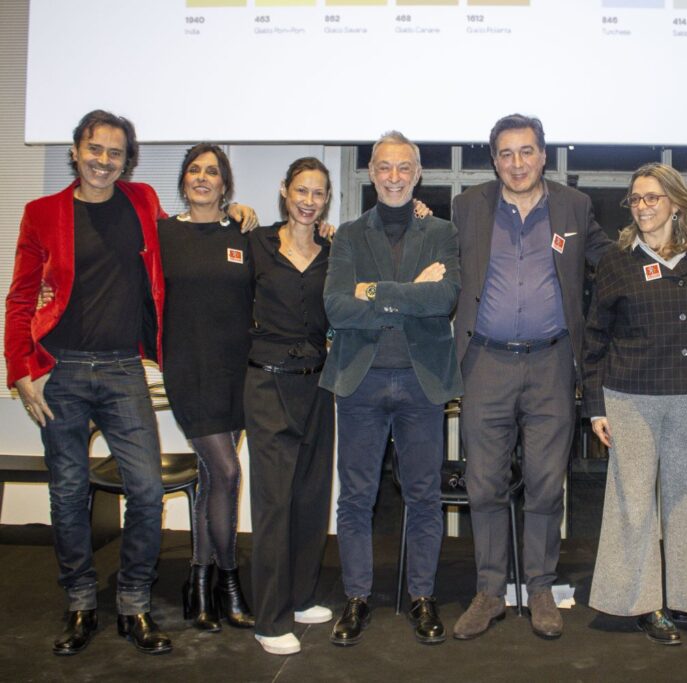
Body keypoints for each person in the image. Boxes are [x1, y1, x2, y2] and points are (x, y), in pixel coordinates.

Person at [4, 109, 175, 656]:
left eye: (116, 153)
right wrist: (21, 371)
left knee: (147, 490)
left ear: (128, 161)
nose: (104, 161)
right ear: (76, 151)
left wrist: (233, 214)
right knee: (69, 494)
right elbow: (21, 298)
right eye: (95, 149)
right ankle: (80, 603)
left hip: (126, 369)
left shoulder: (143, 202)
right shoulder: (42, 213)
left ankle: (133, 604)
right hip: (62, 371)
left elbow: (182, 241)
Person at [450, 114, 612, 641]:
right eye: (505, 154)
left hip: (551, 364)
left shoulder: (573, 206)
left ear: (543, 155)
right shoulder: (468, 206)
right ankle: (490, 592)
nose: (516, 163)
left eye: (526, 152)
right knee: (485, 484)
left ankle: (540, 588)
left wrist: (674, 239)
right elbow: (434, 250)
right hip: (486, 364)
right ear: (493, 159)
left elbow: (609, 260)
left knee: (545, 483)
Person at [583, 162, 687, 645]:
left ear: (676, 203)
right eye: (636, 199)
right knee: (633, 504)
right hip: (630, 395)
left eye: (653, 197)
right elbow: (594, 337)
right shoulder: (617, 258)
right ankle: (641, 604)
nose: (644, 207)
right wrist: (595, 405)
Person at [321, 131, 461, 647]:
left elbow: (443, 297)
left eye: (404, 167)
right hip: (359, 382)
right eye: (385, 167)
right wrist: (409, 292)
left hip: (422, 383)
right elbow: (336, 306)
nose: (395, 177)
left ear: (418, 173)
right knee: (357, 497)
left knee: (424, 497)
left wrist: (373, 291)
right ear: (372, 173)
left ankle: (422, 597)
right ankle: (357, 598)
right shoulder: (350, 236)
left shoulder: (441, 232)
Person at [159, 144, 255, 632]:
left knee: (212, 479)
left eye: (212, 172)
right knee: (227, 471)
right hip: (188, 373)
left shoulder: (243, 232)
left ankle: (198, 583)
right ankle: (229, 582)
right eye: (194, 170)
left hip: (237, 375)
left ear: (225, 184)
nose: (202, 178)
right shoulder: (162, 234)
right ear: (183, 181)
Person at [246, 157, 336, 656]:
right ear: (284, 191)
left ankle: (301, 598)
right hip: (267, 386)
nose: (308, 200)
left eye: (318, 193)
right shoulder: (255, 244)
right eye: (301, 190)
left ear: (327, 200)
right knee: (274, 504)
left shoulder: (332, 251)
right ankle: (270, 618)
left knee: (310, 497)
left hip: (318, 386)